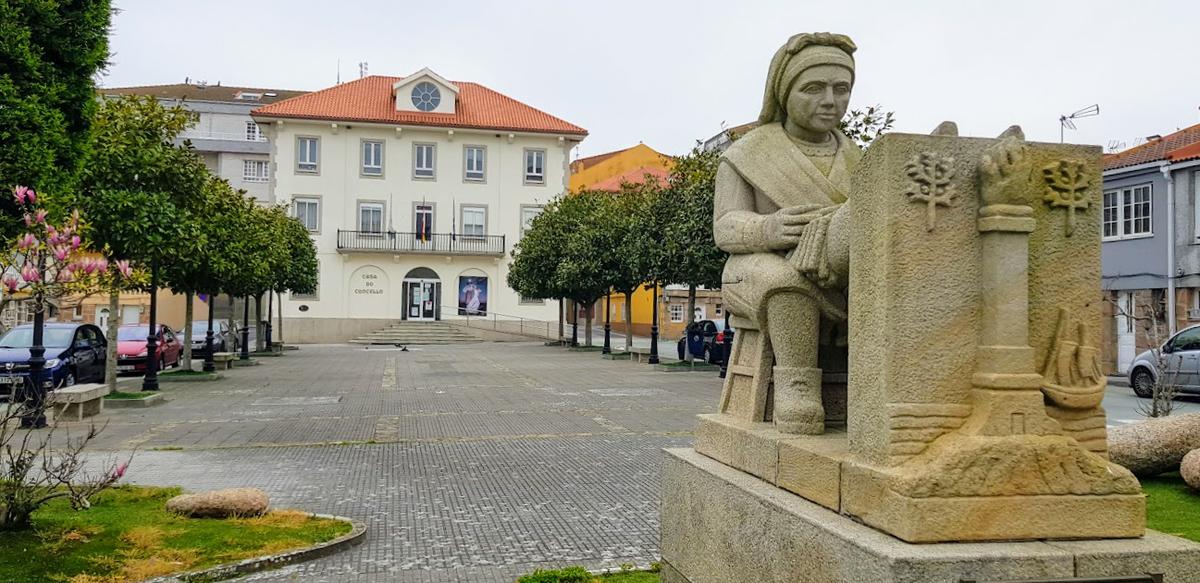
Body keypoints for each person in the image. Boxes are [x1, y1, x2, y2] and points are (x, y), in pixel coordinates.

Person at [713, 32, 859, 435]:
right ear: (785, 91)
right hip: (755, 265)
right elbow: (725, 226)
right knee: (786, 283)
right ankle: (797, 385)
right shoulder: (747, 153)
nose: (830, 100)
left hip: (832, 264)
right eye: (813, 88)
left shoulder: (857, 158)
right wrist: (767, 227)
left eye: (841, 88)